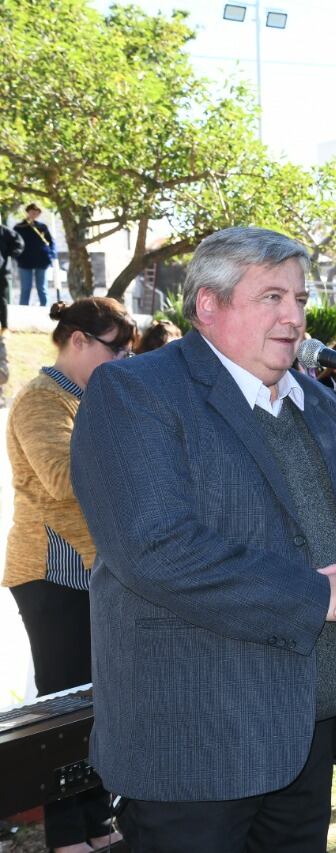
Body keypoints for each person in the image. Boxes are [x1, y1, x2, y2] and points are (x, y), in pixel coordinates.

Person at [70, 227, 336, 849]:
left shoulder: (318, 399)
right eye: (273, 298)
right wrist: (324, 598)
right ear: (210, 304)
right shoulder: (136, 393)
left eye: (301, 300)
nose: (295, 318)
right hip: (197, 739)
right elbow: (157, 546)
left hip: (305, 728)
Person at [7, 298, 134, 853]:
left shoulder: (92, 397)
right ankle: (65, 837)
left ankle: (99, 824)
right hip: (50, 573)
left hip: (91, 569)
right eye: (116, 350)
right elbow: (61, 477)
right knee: (63, 708)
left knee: (96, 702)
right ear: (78, 340)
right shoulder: (40, 397)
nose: (122, 361)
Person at [14, 204, 55, 307]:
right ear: (28, 212)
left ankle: (45, 309)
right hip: (25, 260)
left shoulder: (42, 227)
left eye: (37, 212)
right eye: (32, 211)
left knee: (42, 288)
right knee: (26, 288)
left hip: (42, 260)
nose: (34, 214)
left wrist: (52, 254)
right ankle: (23, 309)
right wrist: (17, 255)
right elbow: (14, 243)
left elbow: (50, 242)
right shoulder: (19, 227)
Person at [0, 218, 23, 329]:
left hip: (2, 271)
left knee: (2, 299)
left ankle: (4, 326)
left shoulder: (5, 232)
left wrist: (11, 254)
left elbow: (19, 243)